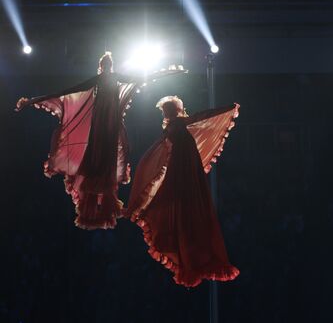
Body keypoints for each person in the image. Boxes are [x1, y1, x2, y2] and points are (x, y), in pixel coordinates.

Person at [16, 52, 184, 230]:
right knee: (96, 162)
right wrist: (35, 100)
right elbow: (70, 91)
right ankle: (89, 214)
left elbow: (141, 78)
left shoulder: (114, 77)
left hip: (110, 125)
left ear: (110, 66)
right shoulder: (98, 80)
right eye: (104, 64)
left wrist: (166, 73)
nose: (106, 67)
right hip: (100, 125)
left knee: (107, 163)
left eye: (108, 64)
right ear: (101, 66)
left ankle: (104, 212)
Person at [125, 95, 240, 287]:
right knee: (179, 211)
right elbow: (159, 153)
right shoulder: (174, 128)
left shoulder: (177, 125)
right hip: (181, 172)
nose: (165, 115)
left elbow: (201, 118)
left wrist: (226, 110)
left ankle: (188, 253)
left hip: (183, 172)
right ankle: (188, 253)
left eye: (166, 111)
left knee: (179, 210)